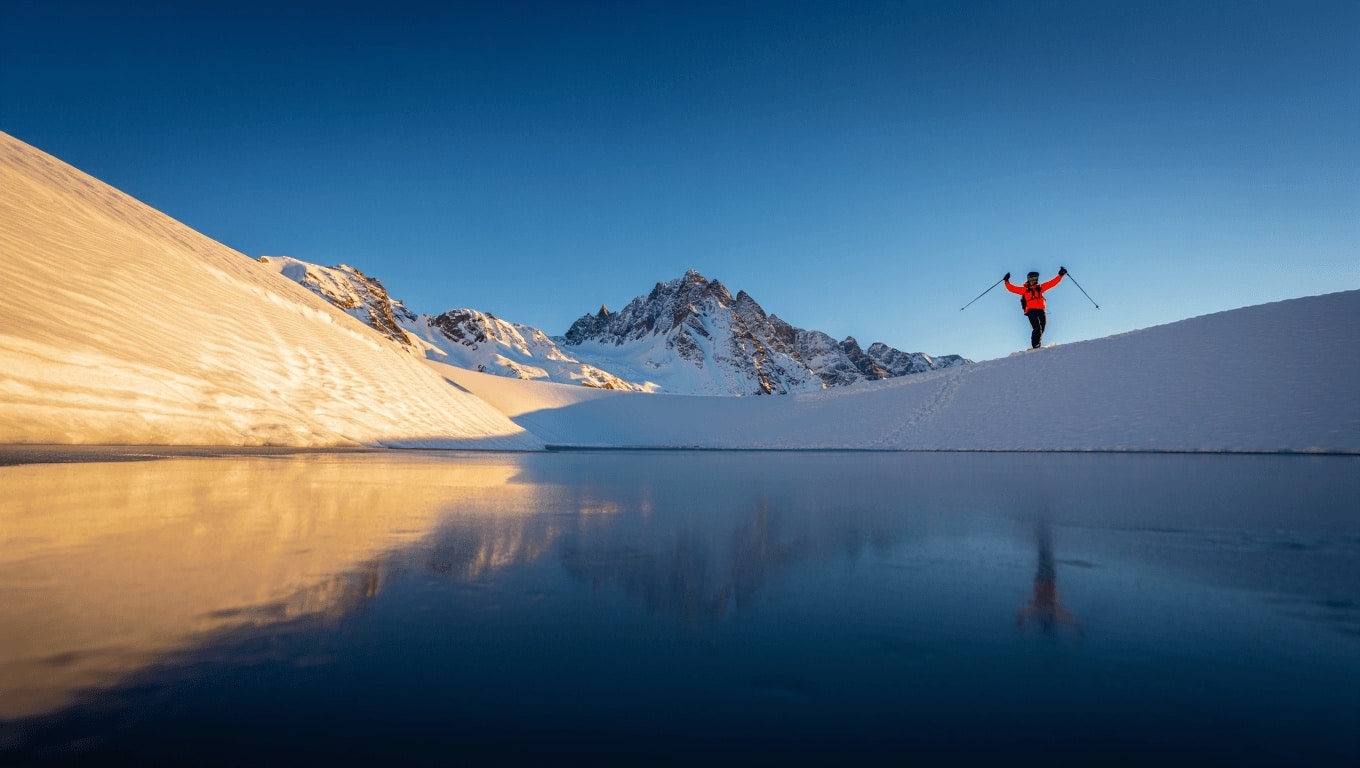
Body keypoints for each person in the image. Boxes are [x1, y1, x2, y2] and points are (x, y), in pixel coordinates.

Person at [1004, 267, 1066, 349]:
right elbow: (1012, 289)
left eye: (1035, 278)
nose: (1033, 280)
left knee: (1042, 326)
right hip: (1031, 311)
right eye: (1031, 279)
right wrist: (1006, 281)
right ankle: (1035, 345)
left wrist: (1060, 275)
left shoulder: (1040, 288)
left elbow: (1052, 283)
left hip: (1041, 310)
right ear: (1028, 280)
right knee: (1037, 328)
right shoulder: (1025, 290)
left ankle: (1037, 343)